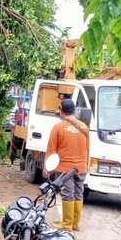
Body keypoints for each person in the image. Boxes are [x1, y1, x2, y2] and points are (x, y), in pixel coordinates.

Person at [46, 99, 89, 232]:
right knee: (78, 193)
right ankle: (75, 224)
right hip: (81, 167)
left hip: (65, 168)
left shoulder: (58, 127)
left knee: (67, 193)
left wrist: (48, 168)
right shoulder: (84, 127)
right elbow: (88, 148)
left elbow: (51, 149)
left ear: (61, 109)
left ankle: (67, 224)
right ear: (74, 110)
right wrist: (85, 164)